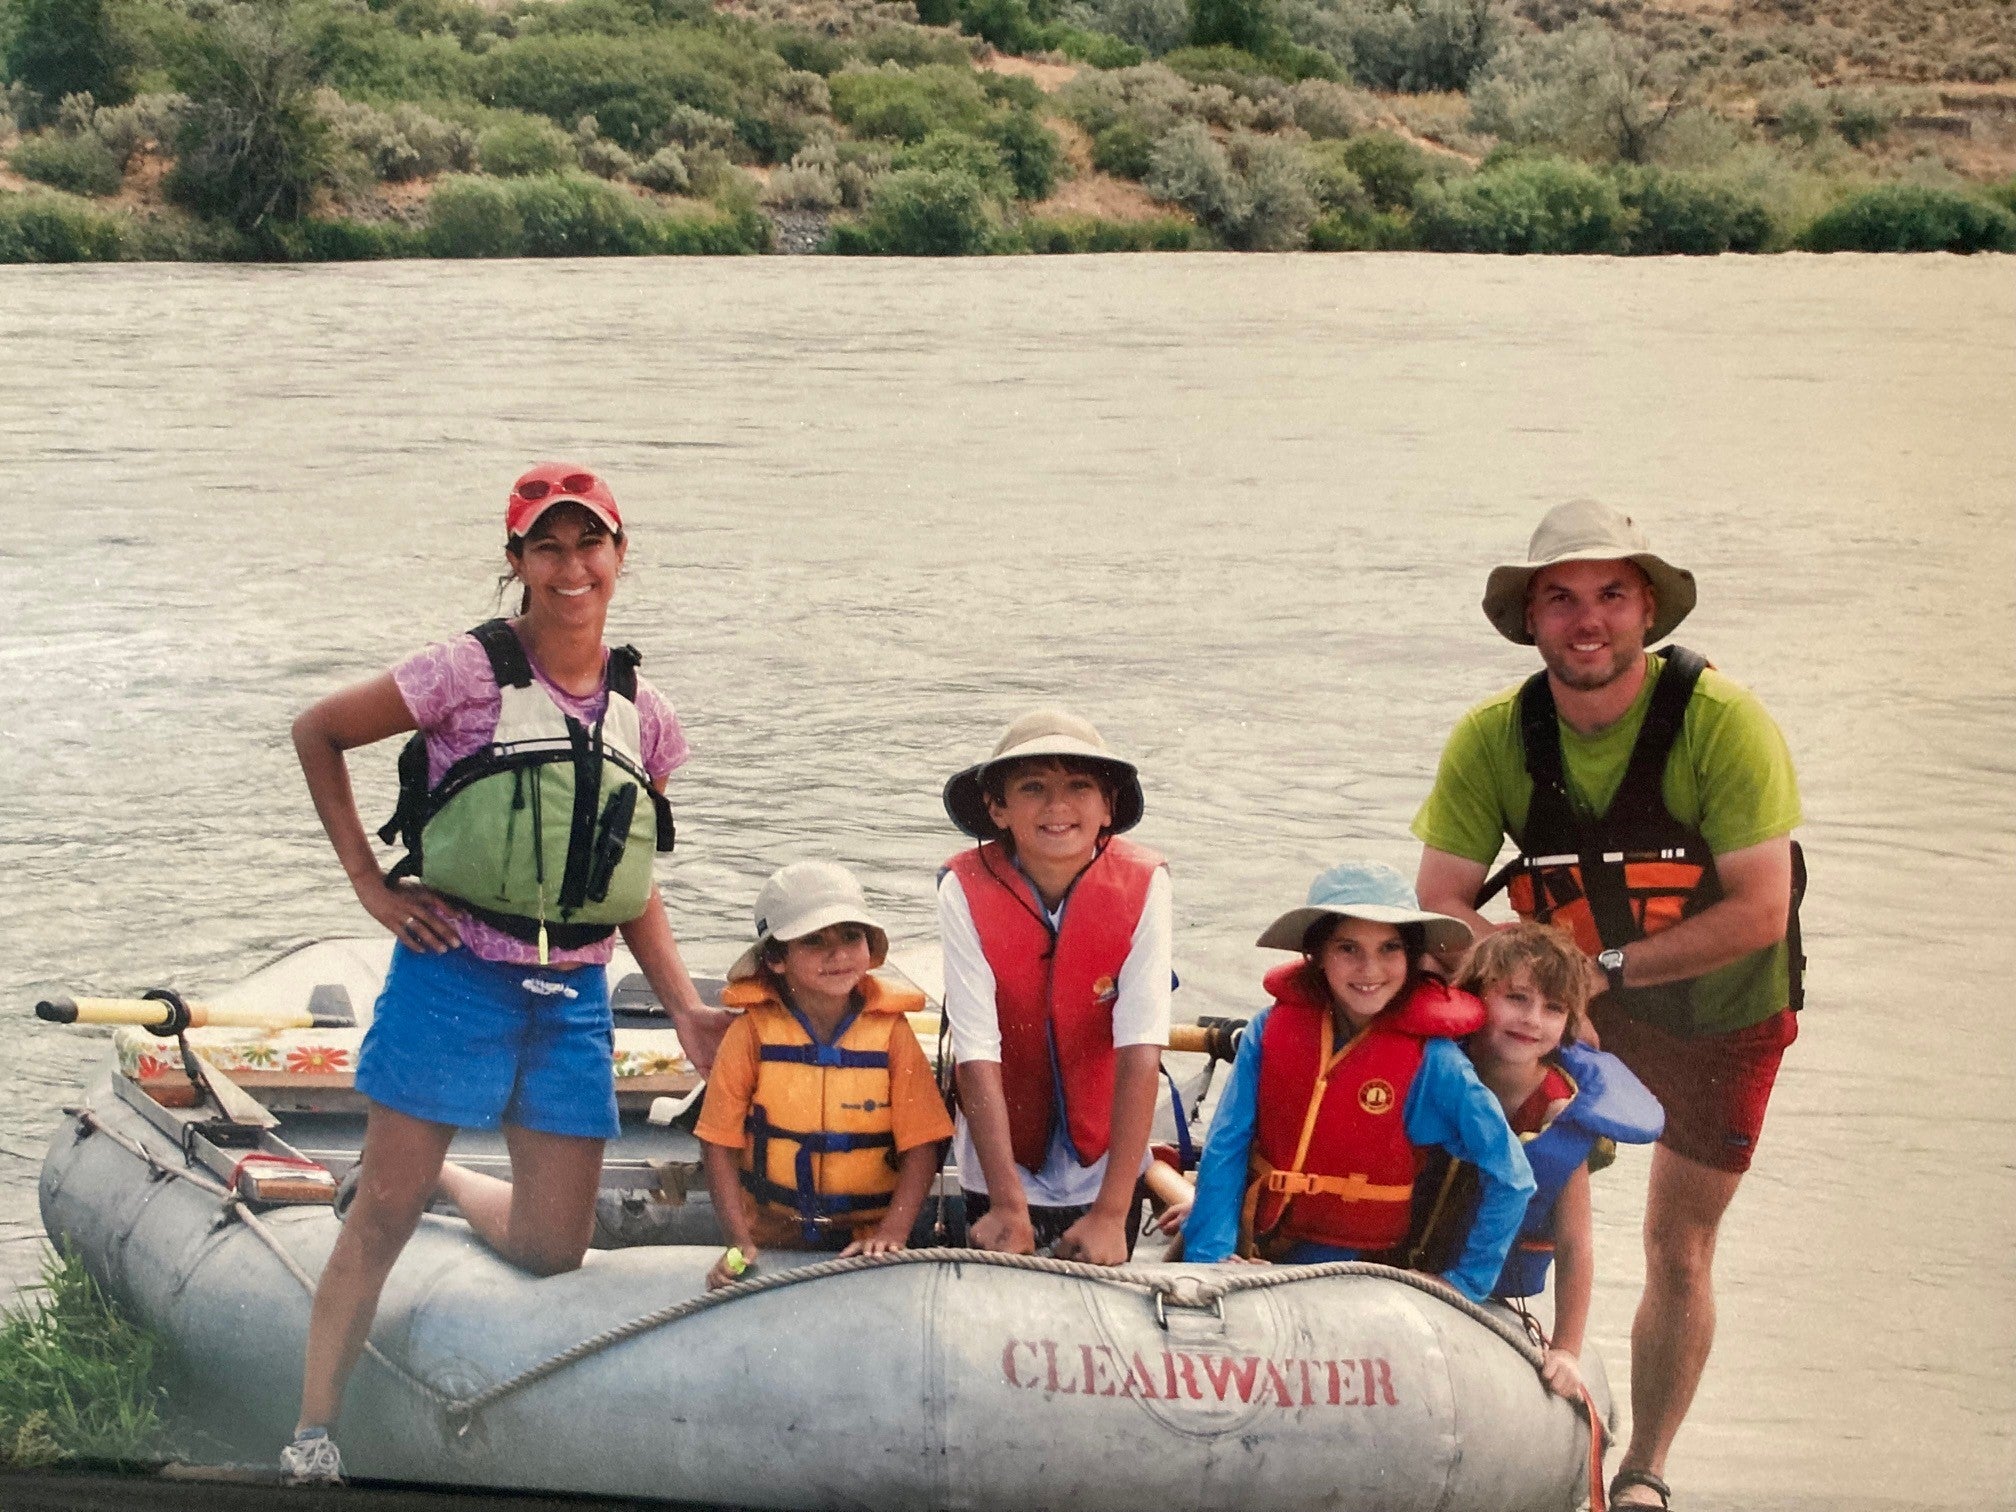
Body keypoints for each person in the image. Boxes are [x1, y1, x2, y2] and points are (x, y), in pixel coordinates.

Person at [282, 464, 731, 1485]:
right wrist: (369, 883)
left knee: (552, 1248)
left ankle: (445, 1173)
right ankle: (312, 1433)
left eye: (590, 545)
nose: (572, 568)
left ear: (620, 556)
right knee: (381, 1215)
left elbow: (625, 877)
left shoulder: (644, 715)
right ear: (517, 562)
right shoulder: (463, 674)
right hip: (455, 974)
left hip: (570, 994)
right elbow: (319, 730)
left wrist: (685, 1010)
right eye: (548, 548)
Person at [1412, 498, 1803, 1511]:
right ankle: (1476, 1364)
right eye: (1561, 599)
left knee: (1678, 1245)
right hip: (1567, 993)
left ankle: (1644, 1474)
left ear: (1648, 611)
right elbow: (1440, 898)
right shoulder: (1495, 738)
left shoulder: (1724, 723)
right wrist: (1529, 978)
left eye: (1612, 596)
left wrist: (1606, 970)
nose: (1588, 621)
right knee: (1474, 1159)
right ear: (1530, 619)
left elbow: (1764, 908)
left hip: (1724, 1011)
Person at [1182, 863, 1534, 1304]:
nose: (1370, 969)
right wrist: (1210, 1253)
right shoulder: (1269, 1030)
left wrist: (1468, 1282)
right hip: (1254, 1240)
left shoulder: (1435, 1062)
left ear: (1412, 957)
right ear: (1317, 955)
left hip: (1358, 1267)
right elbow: (1226, 1144)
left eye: (1389, 948)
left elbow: (1513, 1176)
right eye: (1348, 948)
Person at [938, 708, 1171, 1264]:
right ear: (998, 808)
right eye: (1033, 787)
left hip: (1104, 1161)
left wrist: (1114, 1213)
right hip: (999, 1158)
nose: (1058, 806)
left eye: (1080, 786)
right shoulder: (963, 889)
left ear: (1108, 805)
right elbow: (975, 1050)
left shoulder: (1146, 884)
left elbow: (1141, 1046)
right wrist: (1007, 1204)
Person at [1410, 923, 1663, 1400]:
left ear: (1569, 1021)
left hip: (1492, 1293)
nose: (1532, 1019)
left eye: (1553, 1008)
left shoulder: (1561, 1111)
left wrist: (1566, 1349)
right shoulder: (1431, 1067)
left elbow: (1575, 1241)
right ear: (1475, 993)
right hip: (1394, 1266)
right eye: (1517, 998)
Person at [694, 861, 953, 1289]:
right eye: (814, 940)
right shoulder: (751, 1033)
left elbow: (923, 1141)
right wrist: (737, 1243)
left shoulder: (891, 1033)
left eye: (851, 936)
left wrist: (893, 1233)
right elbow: (717, 1142)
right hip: (772, 1236)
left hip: (865, 1237)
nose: (839, 955)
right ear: (776, 958)